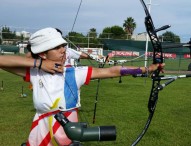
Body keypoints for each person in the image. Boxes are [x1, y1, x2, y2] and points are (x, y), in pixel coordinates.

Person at [0, 27, 164, 146]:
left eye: (63, 46)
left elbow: (111, 71)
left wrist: (146, 69)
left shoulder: (75, 73)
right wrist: (39, 63)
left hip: (67, 128)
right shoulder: (36, 73)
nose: (64, 50)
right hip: (41, 130)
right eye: (57, 48)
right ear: (43, 53)